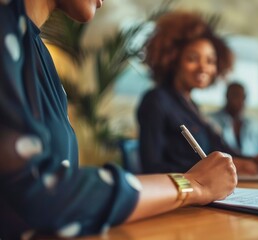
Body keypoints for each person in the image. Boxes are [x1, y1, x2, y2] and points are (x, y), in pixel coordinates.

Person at [0, 1, 237, 238]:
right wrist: (191, 185)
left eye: (210, 60)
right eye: (193, 58)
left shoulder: (37, 51)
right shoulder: (7, 34)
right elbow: (44, 194)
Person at [137, 12, 258, 176]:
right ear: (174, 59)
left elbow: (219, 149)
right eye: (192, 58)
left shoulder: (192, 105)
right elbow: (152, 169)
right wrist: (215, 169)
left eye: (210, 61)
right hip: (183, 199)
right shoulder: (156, 100)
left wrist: (252, 159)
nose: (203, 68)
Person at [209, 82, 258, 159]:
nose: (239, 100)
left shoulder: (253, 125)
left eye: (243, 97)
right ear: (227, 96)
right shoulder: (211, 121)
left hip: (252, 170)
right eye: (235, 95)